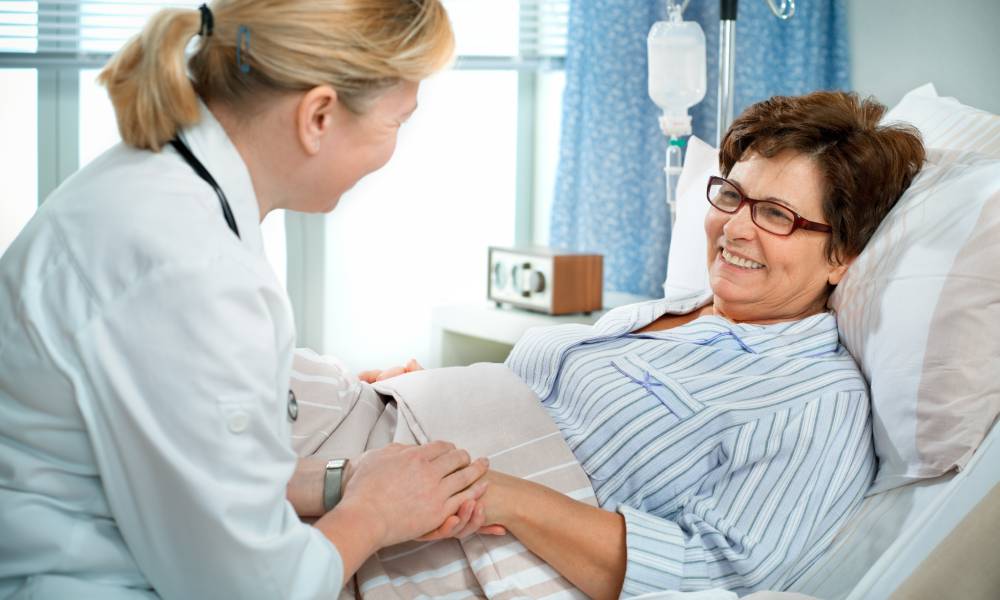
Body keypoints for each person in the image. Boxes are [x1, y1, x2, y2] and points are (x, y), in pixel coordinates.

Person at [0, 2, 489, 599]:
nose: (393, 152)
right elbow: (248, 588)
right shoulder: (187, 267)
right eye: (395, 124)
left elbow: (190, 461)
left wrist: (341, 482)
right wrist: (375, 515)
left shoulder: (166, 190)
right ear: (318, 116)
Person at [367, 91, 926, 598]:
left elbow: (711, 573)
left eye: (776, 214)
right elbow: (542, 408)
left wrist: (504, 496)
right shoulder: (668, 311)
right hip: (400, 448)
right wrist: (429, 394)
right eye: (731, 195)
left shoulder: (818, 400)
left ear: (842, 255)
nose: (734, 227)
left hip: (442, 531)